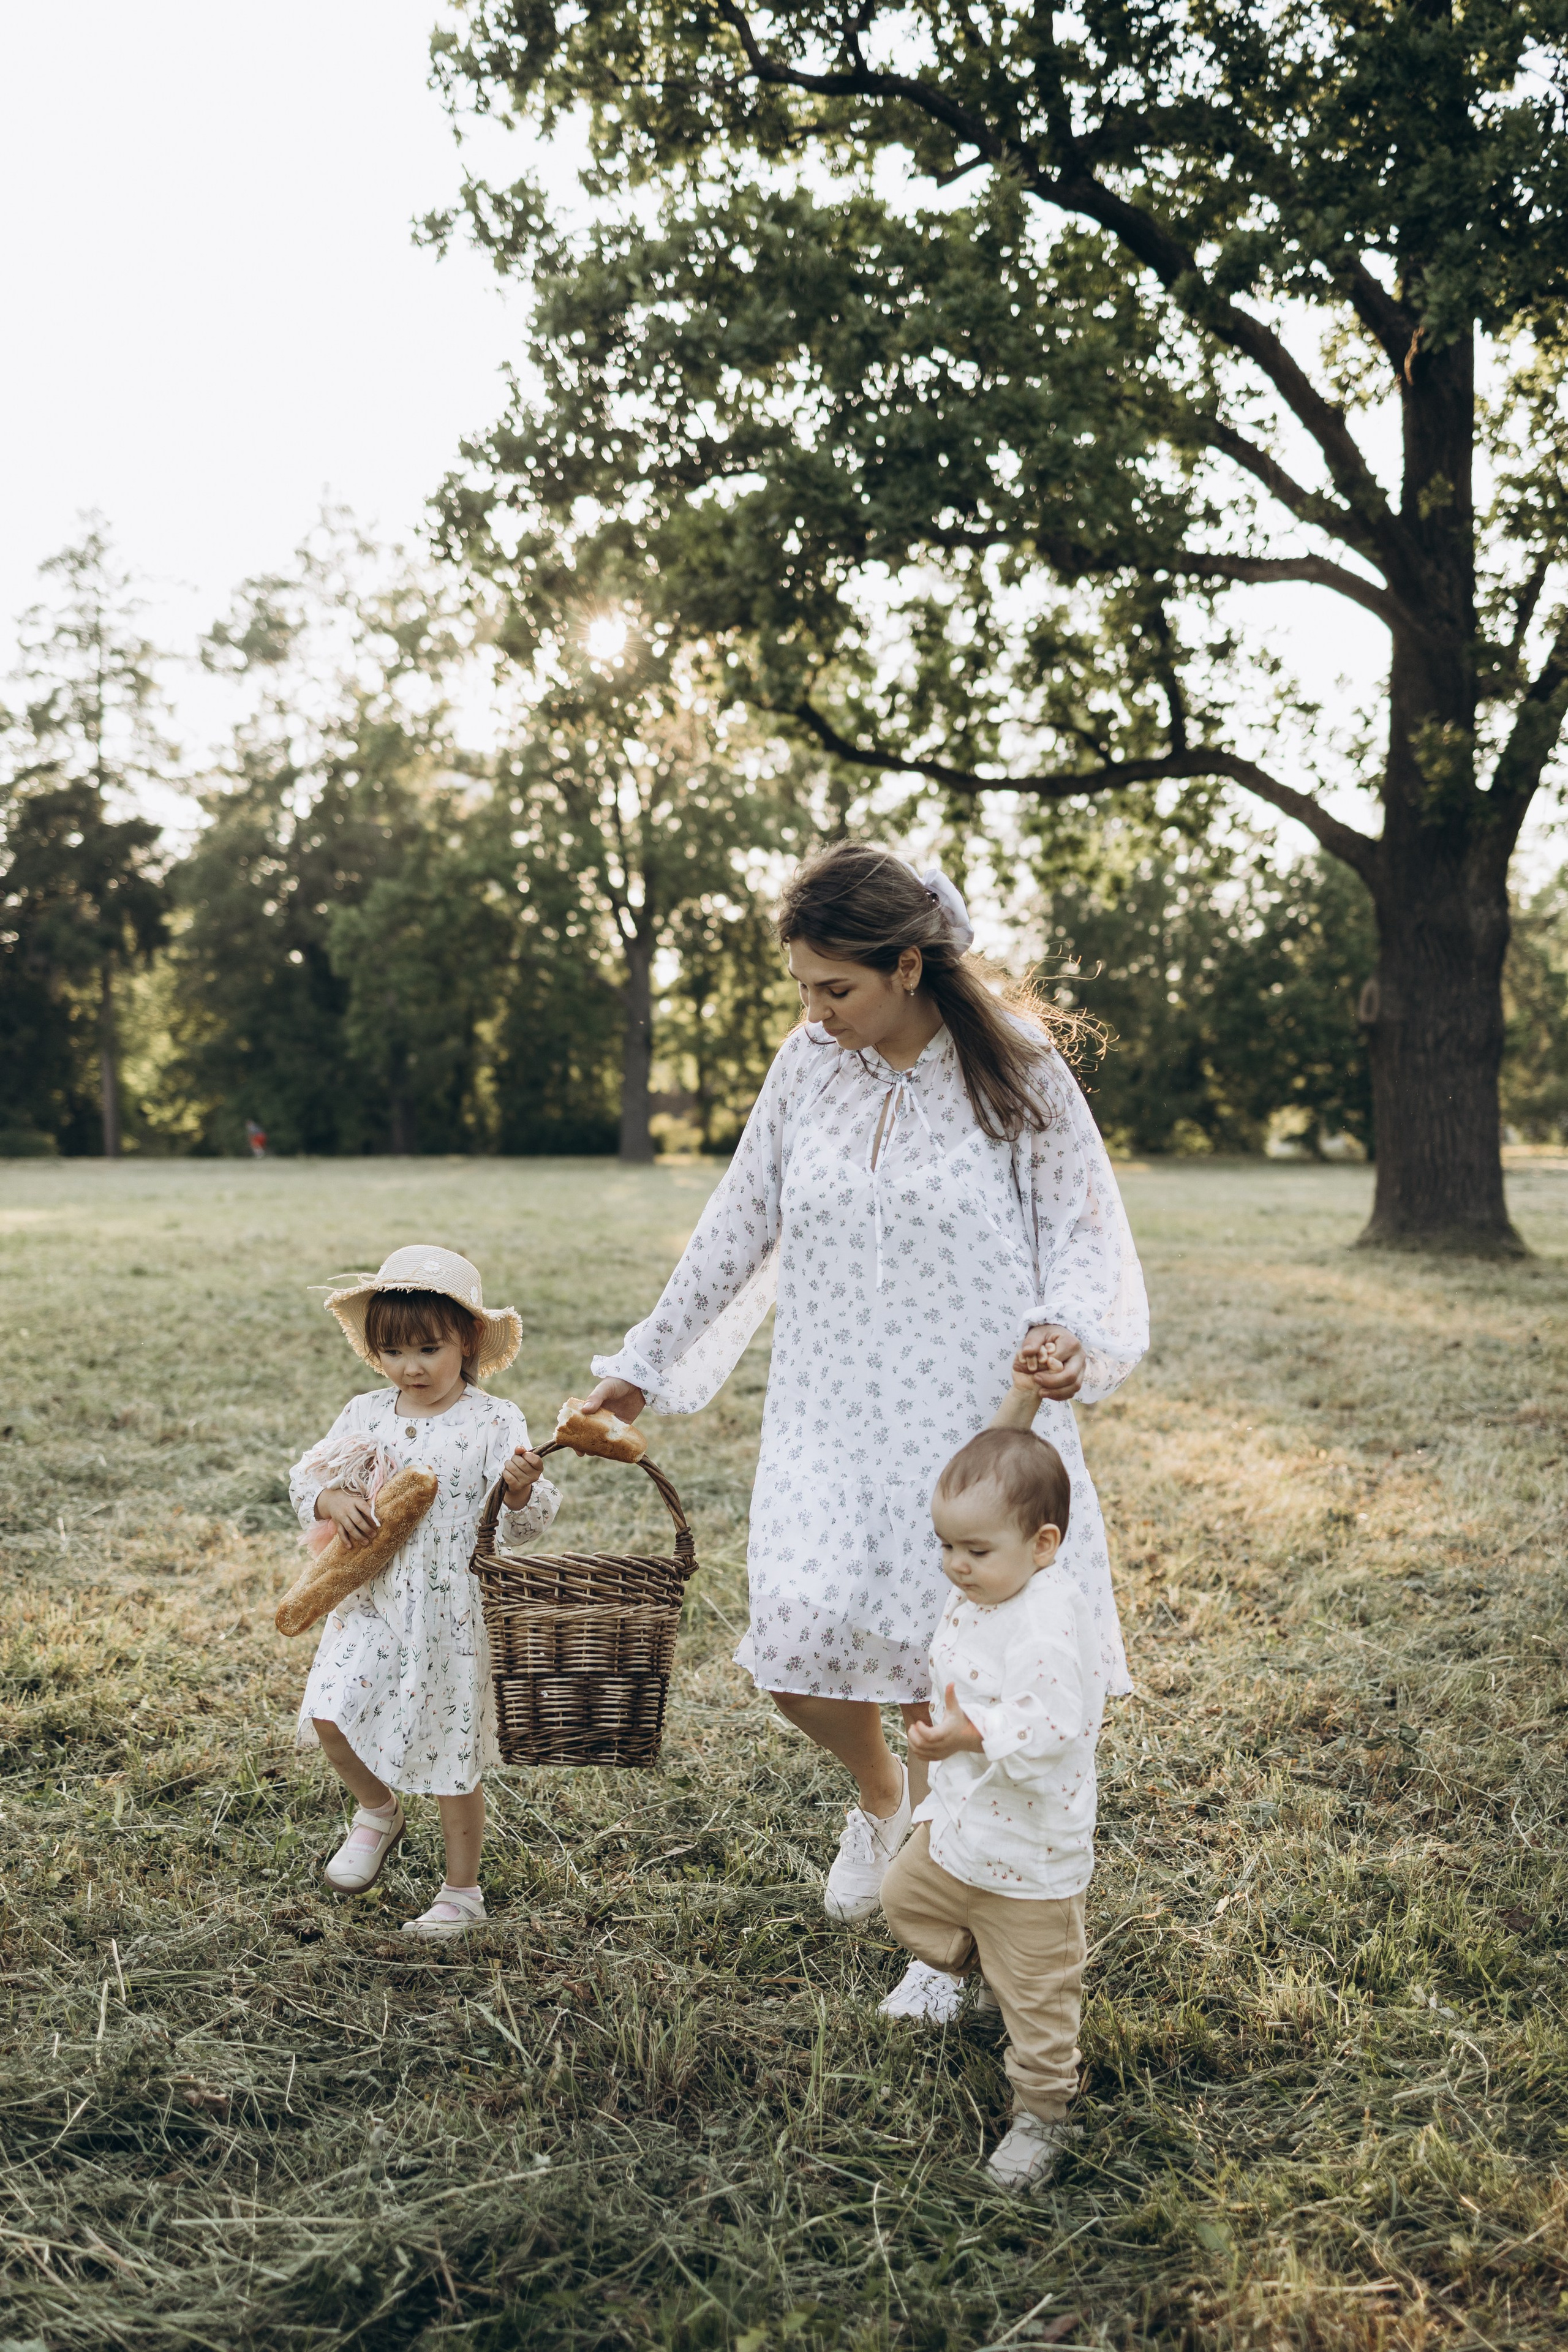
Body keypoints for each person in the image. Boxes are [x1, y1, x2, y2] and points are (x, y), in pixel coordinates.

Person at [583, 843, 1147, 1948]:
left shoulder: (1019, 1067)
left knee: (947, 1672)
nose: (815, 1010)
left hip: (968, 1415)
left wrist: (1069, 1333)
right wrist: (640, 1367)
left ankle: (937, 1929)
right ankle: (883, 1799)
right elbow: (737, 1224)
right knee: (794, 1652)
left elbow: (1082, 1230)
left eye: (834, 988)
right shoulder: (808, 1066)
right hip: (828, 1411)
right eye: (803, 987)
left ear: (907, 966)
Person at [877, 1349, 1103, 2189]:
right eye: (945, 1546)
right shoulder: (985, 1590)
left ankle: (1042, 2116)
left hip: (1031, 1856)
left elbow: (1055, 1722)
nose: (955, 1565)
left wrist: (970, 1733)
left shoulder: (1046, 1621)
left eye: (974, 1549)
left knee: (1041, 2012)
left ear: (1043, 1546)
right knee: (904, 1899)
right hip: (966, 1825)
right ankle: (983, 1969)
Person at [287, 1246, 559, 1939]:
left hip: (452, 1615)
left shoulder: (494, 1421)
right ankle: (378, 1811)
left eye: (428, 1349)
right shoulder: (366, 1412)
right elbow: (307, 1476)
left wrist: (520, 1491)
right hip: (372, 1600)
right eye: (393, 1351)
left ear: (467, 1340)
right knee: (330, 1713)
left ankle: (461, 1893)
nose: (410, 1367)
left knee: (449, 1754)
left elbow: (525, 1525)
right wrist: (328, 1499)